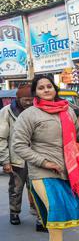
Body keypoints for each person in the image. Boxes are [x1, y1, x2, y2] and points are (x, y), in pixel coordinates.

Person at [12, 76, 79, 241]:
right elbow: (18, 145)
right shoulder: (29, 115)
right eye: (41, 87)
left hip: (67, 169)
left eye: (49, 86)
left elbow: (76, 134)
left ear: (55, 89)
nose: (46, 90)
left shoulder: (67, 110)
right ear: (35, 92)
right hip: (41, 172)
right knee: (56, 207)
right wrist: (44, 162)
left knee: (60, 209)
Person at [0, 85, 45, 230]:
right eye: (26, 100)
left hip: (36, 158)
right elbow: (1, 138)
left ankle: (40, 219)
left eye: (31, 100)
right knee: (16, 189)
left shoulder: (38, 110)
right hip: (17, 159)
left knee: (39, 189)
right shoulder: (6, 112)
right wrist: (5, 161)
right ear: (18, 99)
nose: (29, 102)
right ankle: (14, 212)